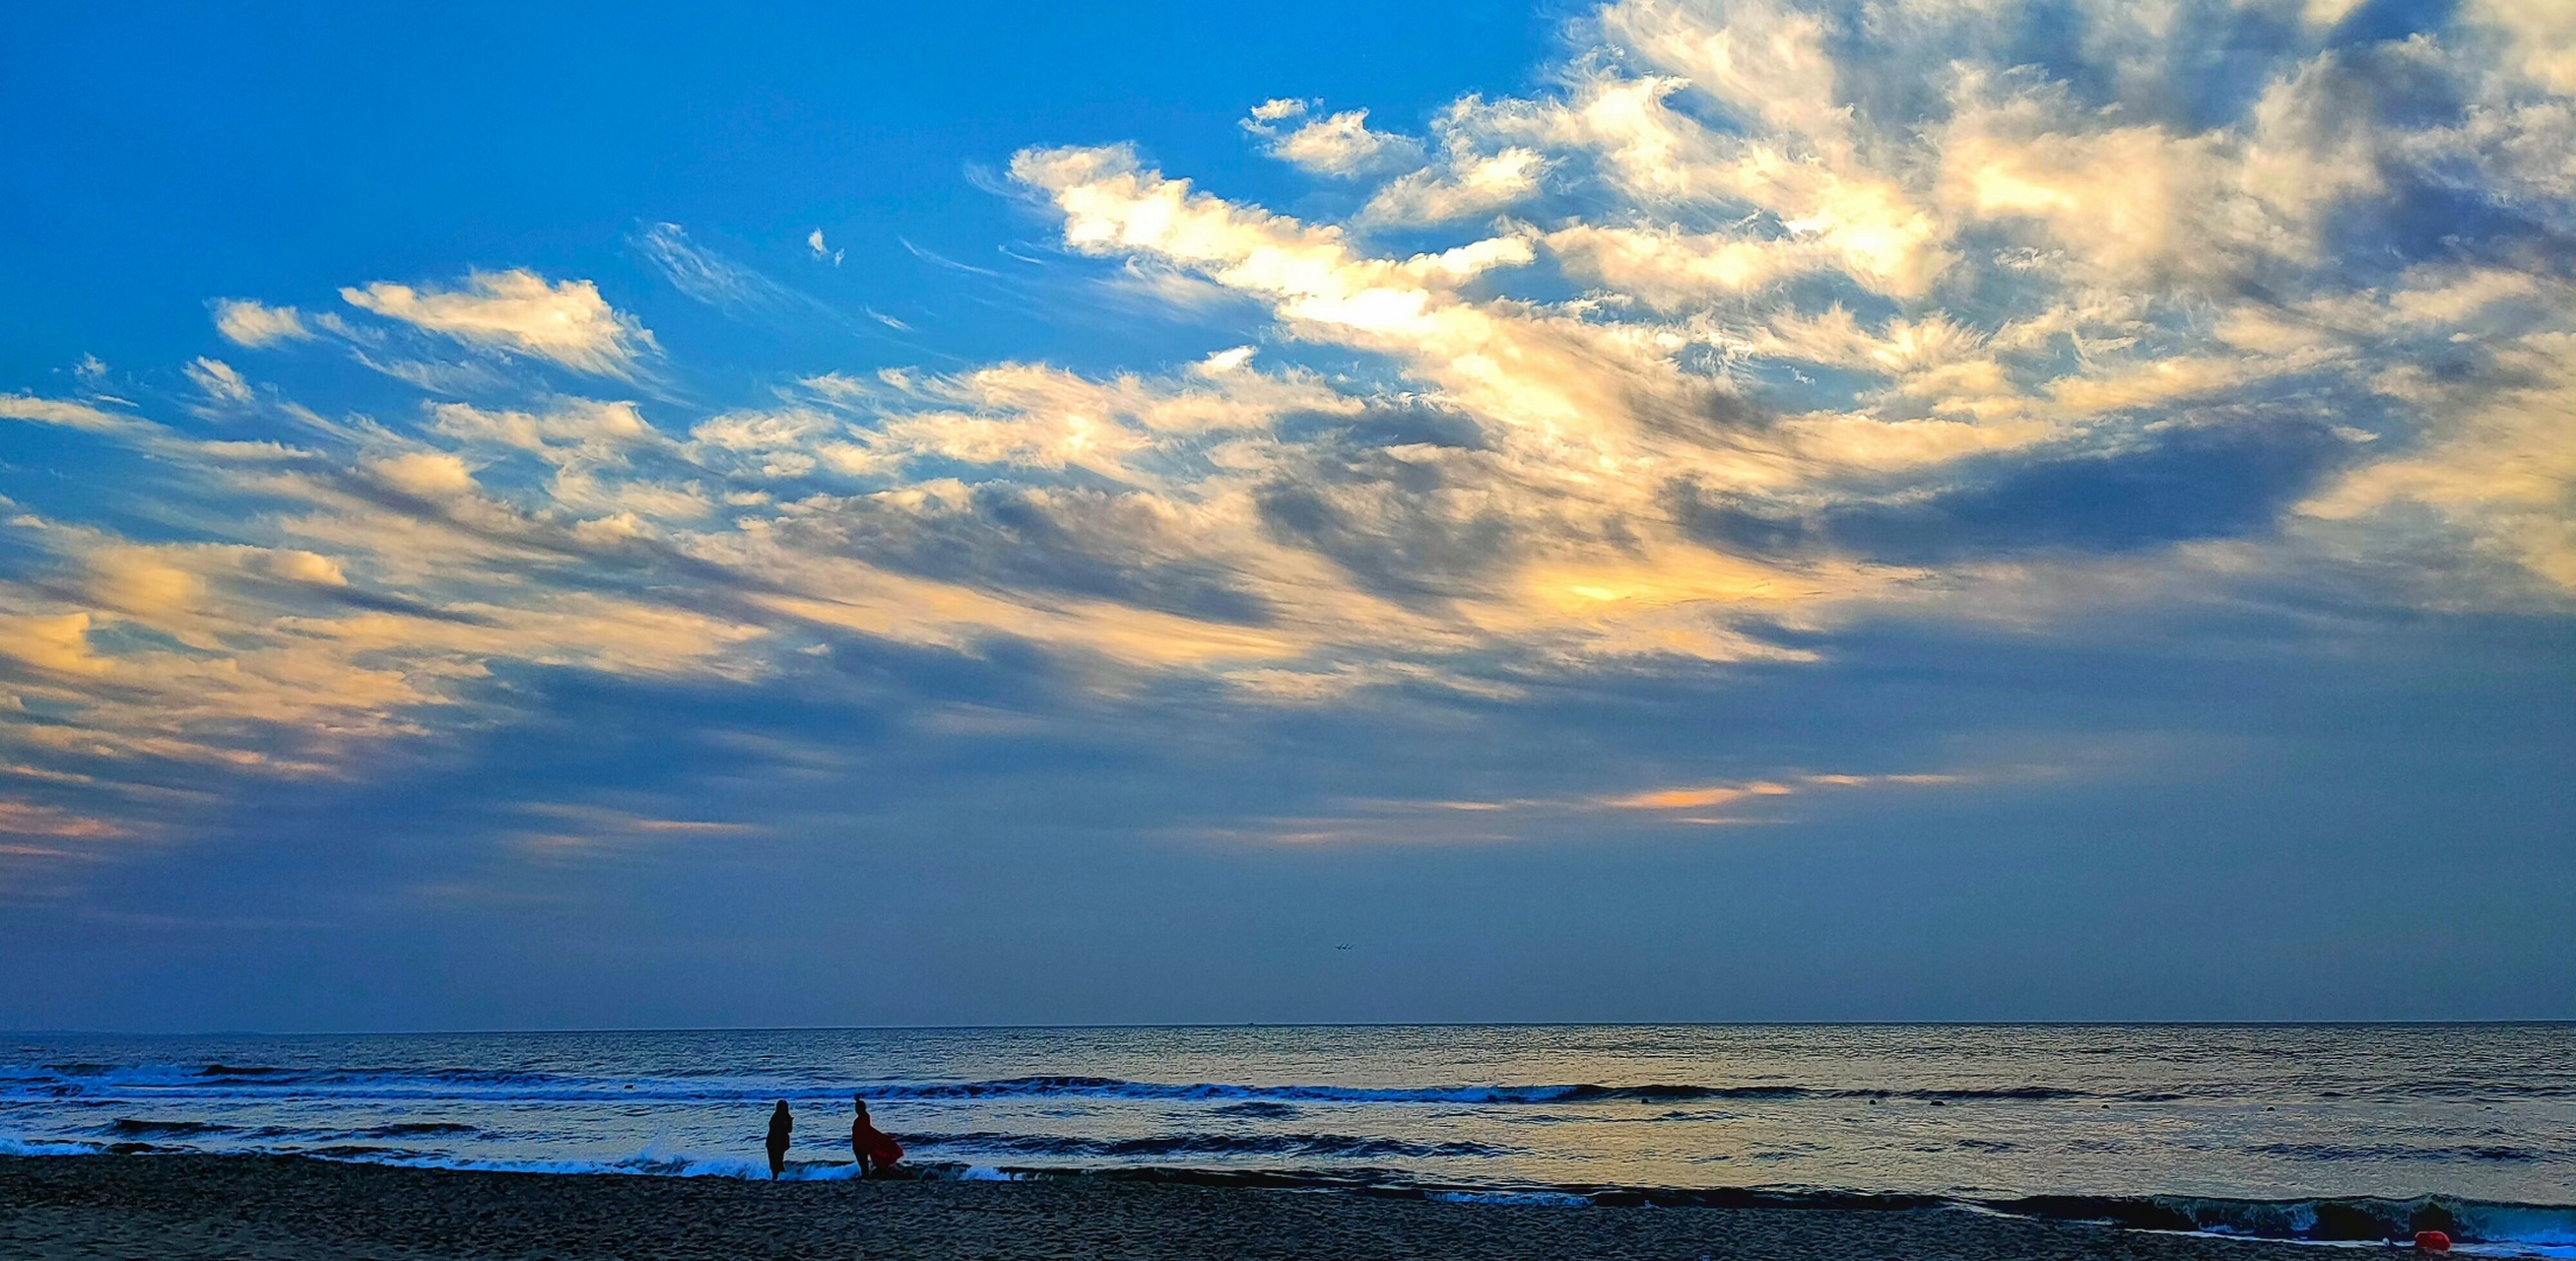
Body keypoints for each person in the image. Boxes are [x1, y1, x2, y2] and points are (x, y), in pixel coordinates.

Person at [850, 1095, 902, 1175]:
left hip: (861, 1146)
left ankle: (866, 1176)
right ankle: (866, 1176)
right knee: (863, 1164)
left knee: (863, 1164)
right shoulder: (863, 1117)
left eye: (857, 1108)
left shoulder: (863, 1118)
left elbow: (863, 1132)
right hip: (861, 1146)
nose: (856, 1110)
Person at [764, 1099, 793, 1179]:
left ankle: (777, 1177)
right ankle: (777, 1177)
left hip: (777, 1142)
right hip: (776, 1142)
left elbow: (789, 1129)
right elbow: (786, 1130)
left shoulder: (780, 1117)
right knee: (776, 1161)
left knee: (777, 1161)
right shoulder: (778, 1117)